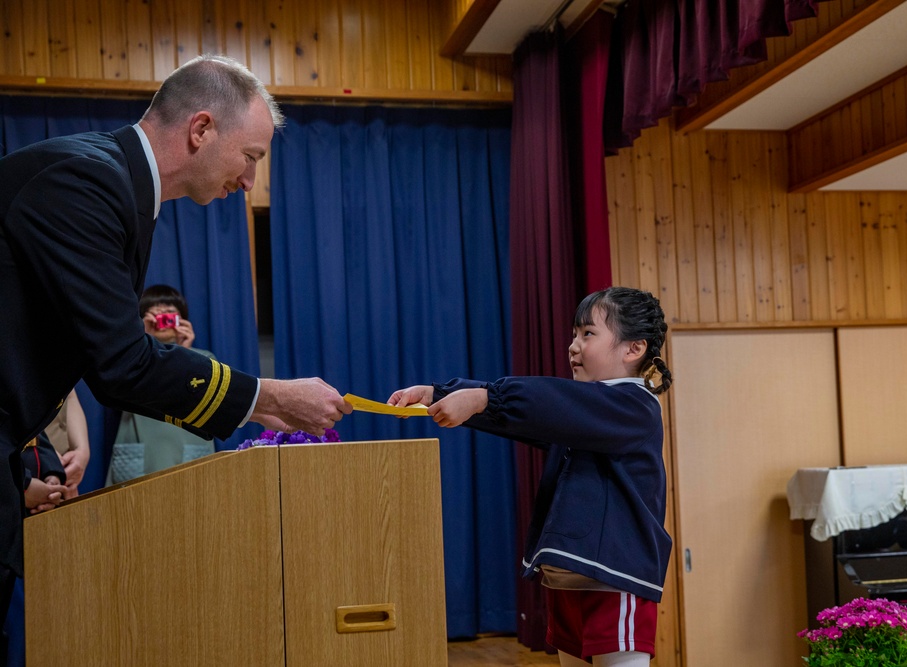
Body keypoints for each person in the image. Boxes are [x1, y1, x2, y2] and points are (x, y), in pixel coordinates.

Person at [0, 54, 351, 642]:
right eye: (251, 158)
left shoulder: (109, 180)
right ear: (202, 129)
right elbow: (122, 366)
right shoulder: (86, 182)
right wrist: (269, 397)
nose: (248, 182)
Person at [388, 286, 673, 667]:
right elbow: (529, 414)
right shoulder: (584, 411)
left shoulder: (634, 406)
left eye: (588, 334)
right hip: (569, 577)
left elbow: (546, 401)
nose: (573, 345)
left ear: (633, 349)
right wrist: (438, 392)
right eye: (574, 334)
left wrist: (485, 398)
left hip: (613, 581)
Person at [107, 285, 219, 484]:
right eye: (157, 316)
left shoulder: (204, 359)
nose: (164, 322)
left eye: (170, 315)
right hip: (141, 451)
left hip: (188, 448)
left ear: (182, 319)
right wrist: (141, 340)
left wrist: (185, 354)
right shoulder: (131, 360)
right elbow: (119, 391)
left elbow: (206, 402)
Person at [41, 388, 90, 500]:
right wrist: (46, 457)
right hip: (25, 471)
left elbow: (69, 395)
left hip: (63, 472)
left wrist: (82, 451)